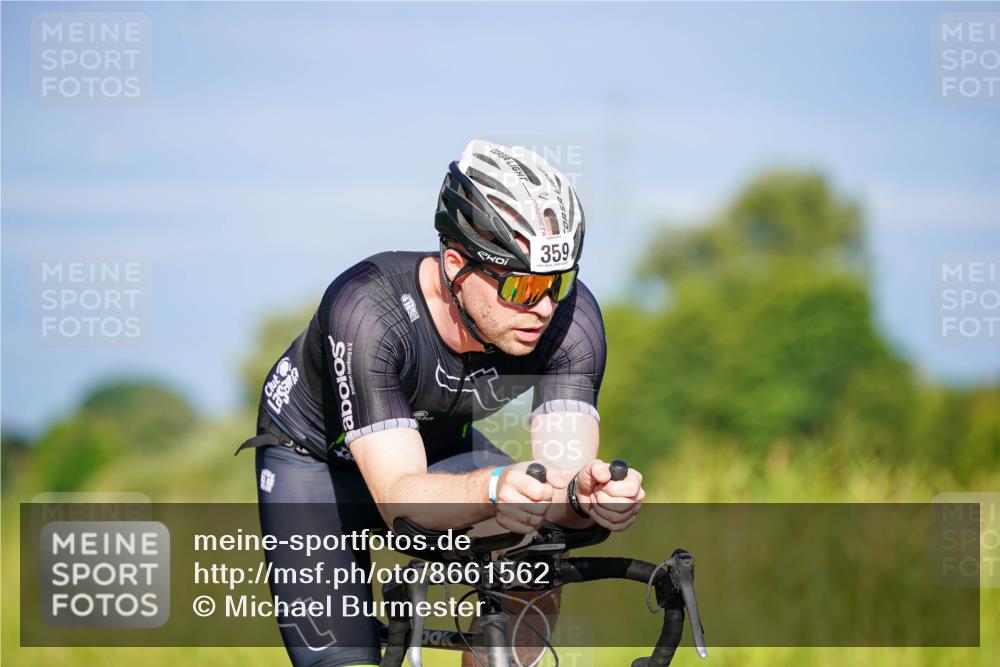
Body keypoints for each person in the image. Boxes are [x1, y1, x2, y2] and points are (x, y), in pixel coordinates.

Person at [237, 139, 645, 667]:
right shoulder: (368, 309)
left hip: (435, 445)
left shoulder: (571, 322)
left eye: (559, 282)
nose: (544, 308)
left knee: (536, 550)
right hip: (315, 460)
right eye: (521, 287)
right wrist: (496, 487)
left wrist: (585, 494)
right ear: (456, 264)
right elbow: (400, 499)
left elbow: (561, 487)